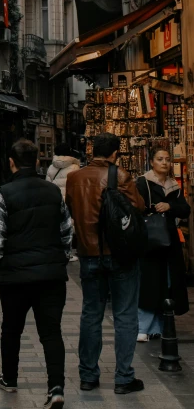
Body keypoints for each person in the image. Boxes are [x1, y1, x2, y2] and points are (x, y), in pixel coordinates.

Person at [0, 139, 72, 408]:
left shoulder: (4, 193)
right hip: (50, 275)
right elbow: (67, 231)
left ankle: (9, 379)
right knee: (51, 331)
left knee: (11, 329)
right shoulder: (52, 192)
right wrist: (60, 259)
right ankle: (56, 387)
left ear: (10, 163)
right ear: (37, 162)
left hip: (16, 277)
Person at [66, 132, 146, 395]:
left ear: (92, 150)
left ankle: (88, 375)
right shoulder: (120, 176)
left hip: (88, 255)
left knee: (91, 314)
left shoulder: (74, 178)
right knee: (124, 315)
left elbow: (71, 209)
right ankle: (124, 377)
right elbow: (139, 207)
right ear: (115, 154)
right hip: (119, 254)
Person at [136, 147, 190, 341]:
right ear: (152, 162)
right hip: (150, 240)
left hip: (169, 242)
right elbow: (134, 206)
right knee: (149, 282)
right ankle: (142, 326)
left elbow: (185, 209)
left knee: (167, 282)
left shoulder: (173, 186)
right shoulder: (143, 183)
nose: (165, 163)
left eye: (167, 159)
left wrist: (170, 206)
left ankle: (158, 326)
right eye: (160, 159)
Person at [47, 145, 81, 263]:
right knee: (69, 225)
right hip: (69, 200)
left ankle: (57, 250)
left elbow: (48, 185)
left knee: (57, 225)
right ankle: (68, 252)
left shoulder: (51, 167)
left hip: (55, 199)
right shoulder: (75, 167)